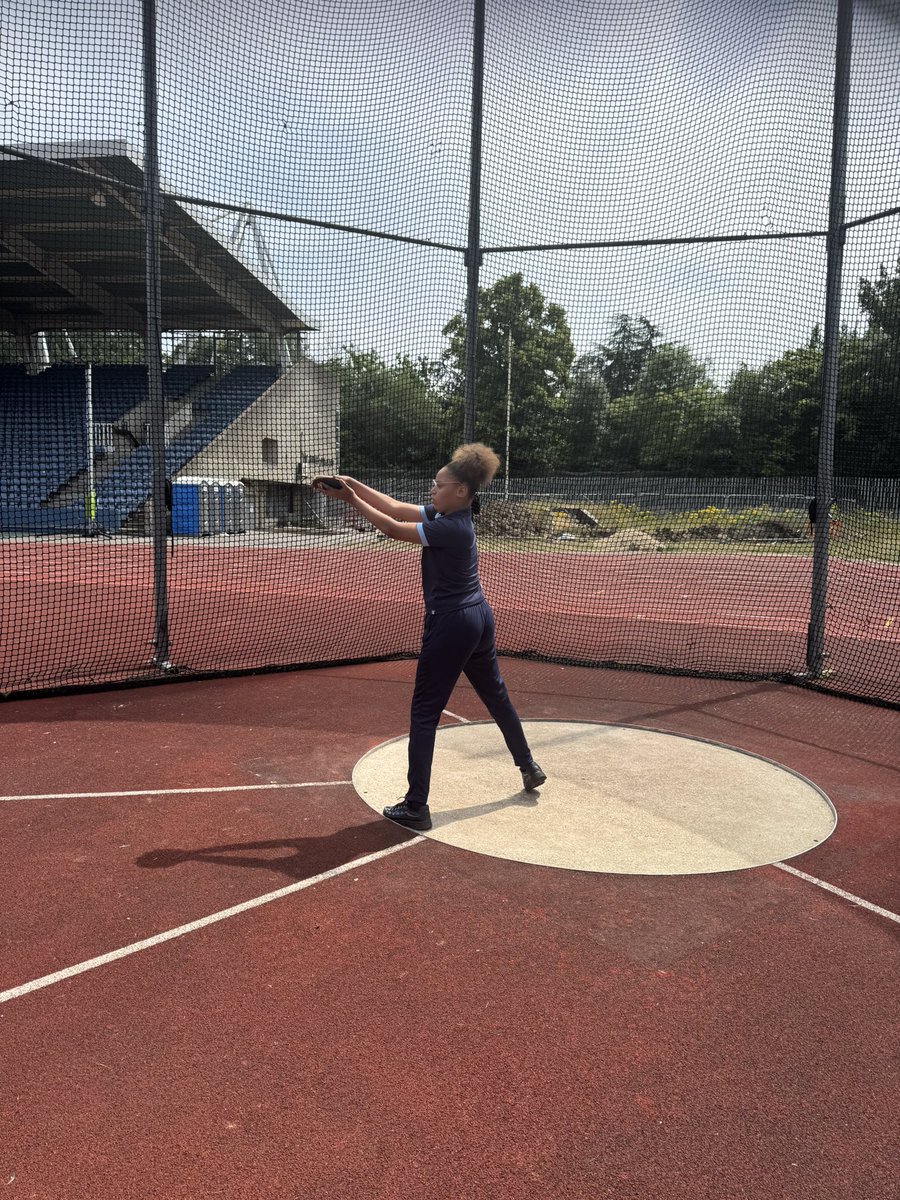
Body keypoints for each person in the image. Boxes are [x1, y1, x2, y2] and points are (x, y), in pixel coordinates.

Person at [312, 443, 546, 831]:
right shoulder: (449, 514)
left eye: (437, 486)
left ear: (461, 490)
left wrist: (351, 499)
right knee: (496, 696)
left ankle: (416, 805)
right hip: (477, 618)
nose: (431, 492)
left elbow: (390, 527)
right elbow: (395, 507)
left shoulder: (450, 527)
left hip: (452, 623)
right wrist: (353, 483)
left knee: (424, 713)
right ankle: (528, 765)